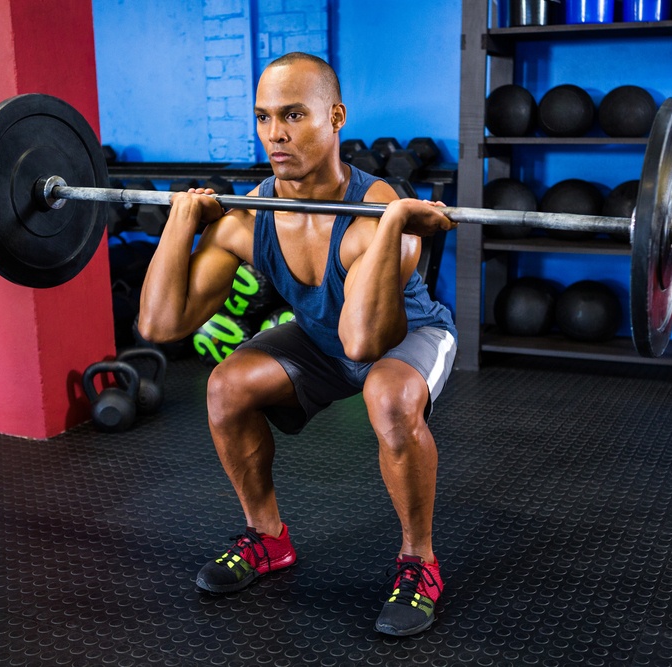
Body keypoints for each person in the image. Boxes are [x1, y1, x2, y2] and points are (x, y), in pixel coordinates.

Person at [137, 52, 458, 637]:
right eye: (263, 118)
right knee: (226, 384)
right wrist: (181, 221)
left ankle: (420, 562)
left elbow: (363, 343)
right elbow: (160, 326)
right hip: (322, 336)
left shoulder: (378, 216)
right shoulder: (247, 218)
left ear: (335, 117)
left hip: (404, 336)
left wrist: (391, 225)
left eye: (292, 115)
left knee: (386, 398)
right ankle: (268, 539)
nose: (274, 134)